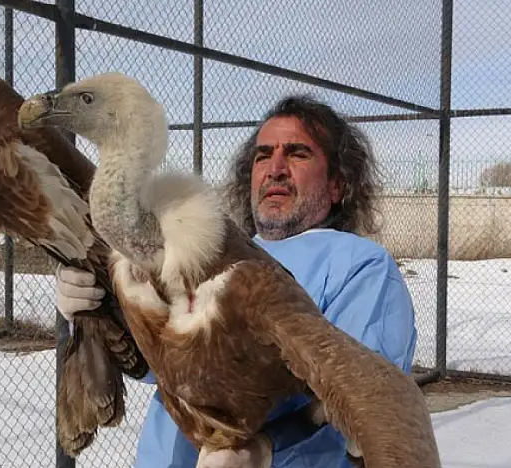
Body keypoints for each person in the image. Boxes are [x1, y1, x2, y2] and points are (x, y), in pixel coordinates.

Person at [54, 95, 418, 468]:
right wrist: (99, 310)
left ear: (338, 184)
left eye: (297, 154)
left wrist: (266, 448)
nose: (275, 168)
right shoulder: (201, 249)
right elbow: (168, 365)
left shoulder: (360, 266)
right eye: (263, 156)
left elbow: (366, 403)